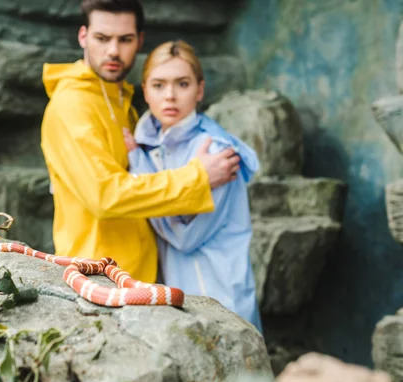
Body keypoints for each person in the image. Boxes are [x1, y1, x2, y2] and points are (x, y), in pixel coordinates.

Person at [40, 0, 240, 284]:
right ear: (83, 36)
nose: (113, 51)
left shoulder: (122, 100)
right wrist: (198, 177)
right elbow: (105, 196)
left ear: (139, 41)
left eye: (125, 40)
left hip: (140, 272)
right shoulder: (71, 106)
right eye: (102, 38)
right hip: (97, 275)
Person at [125, 40, 262, 330]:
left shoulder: (218, 152)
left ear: (200, 90)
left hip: (221, 295)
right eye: (159, 85)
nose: (170, 96)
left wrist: (137, 168)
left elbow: (185, 237)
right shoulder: (150, 147)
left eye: (182, 84)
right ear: (145, 91)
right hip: (180, 297)